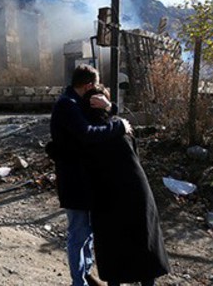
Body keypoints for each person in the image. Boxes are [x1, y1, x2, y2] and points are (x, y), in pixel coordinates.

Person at [80, 87, 170, 286]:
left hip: (107, 196)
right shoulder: (122, 126)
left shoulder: (89, 133)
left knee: (113, 247)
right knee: (143, 243)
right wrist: (112, 109)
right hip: (138, 190)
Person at [49, 64, 130, 286]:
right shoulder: (68, 106)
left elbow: (99, 119)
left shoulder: (76, 103)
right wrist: (119, 127)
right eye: (94, 85)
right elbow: (88, 133)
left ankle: (85, 273)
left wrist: (111, 108)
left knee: (86, 233)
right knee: (78, 233)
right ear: (88, 85)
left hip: (83, 179)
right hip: (74, 180)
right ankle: (79, 282)